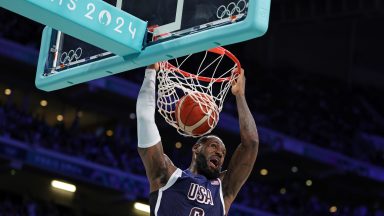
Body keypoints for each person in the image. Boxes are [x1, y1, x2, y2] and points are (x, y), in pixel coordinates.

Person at [136, 63, 259, 216]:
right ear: (196, 148)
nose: (220, 153)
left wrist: (240, 95)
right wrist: (150, 72)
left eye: (223, 152)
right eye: (214, 146)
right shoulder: (167, 174)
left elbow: (251, 144)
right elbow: (144, 119)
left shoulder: (223, 190)